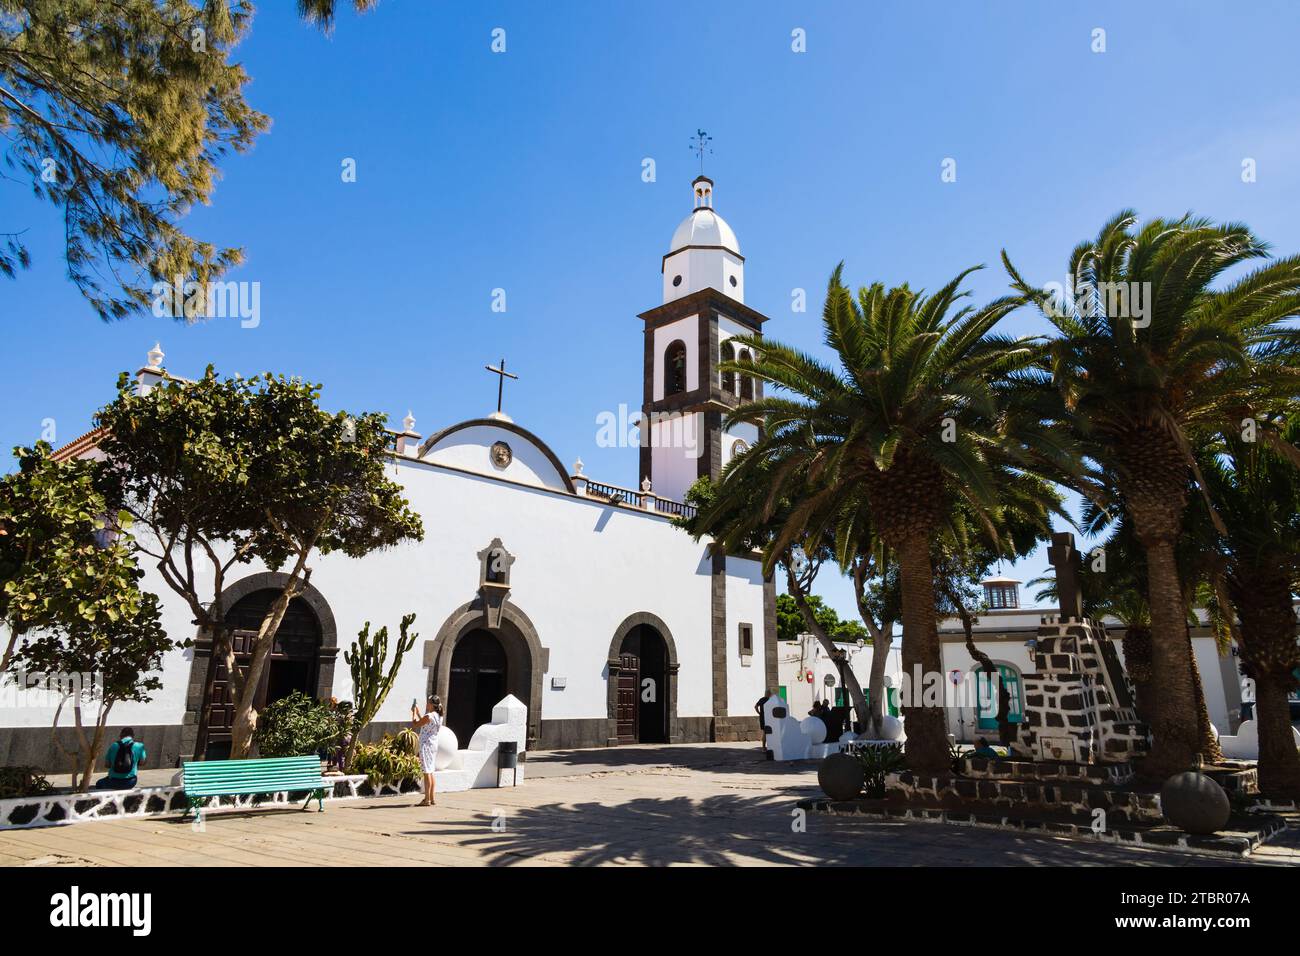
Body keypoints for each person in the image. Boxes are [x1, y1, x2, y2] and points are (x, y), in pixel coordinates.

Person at [411, 696, 444, 807]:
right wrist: (420, 714)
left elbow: (416, 724)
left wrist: (414, 713)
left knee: (426, 772)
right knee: (431, 770)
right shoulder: (438, 716)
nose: (426, 704)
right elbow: (425, 723)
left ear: (431, 704)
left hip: (426, 745)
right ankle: (432, 798)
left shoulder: (429, 716)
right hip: (433, 744)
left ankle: (427, 799)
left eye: (428, 703)